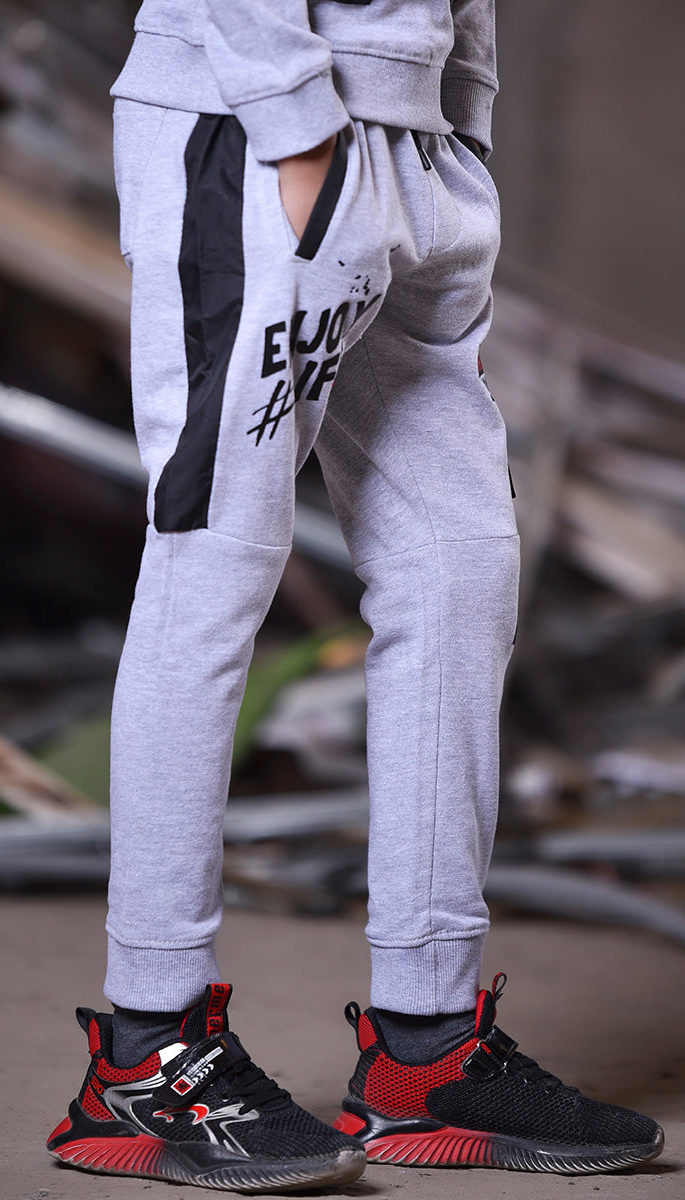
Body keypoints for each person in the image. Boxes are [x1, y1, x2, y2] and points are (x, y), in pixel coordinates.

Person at [46, 1, 664, 1190]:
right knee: (215, 563)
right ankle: (142, 1053)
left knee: (457, 566)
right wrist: (297, 132)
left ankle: (424, 1048)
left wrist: (457, 121)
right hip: (258, 126)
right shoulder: (281, 133)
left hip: (414, 150)